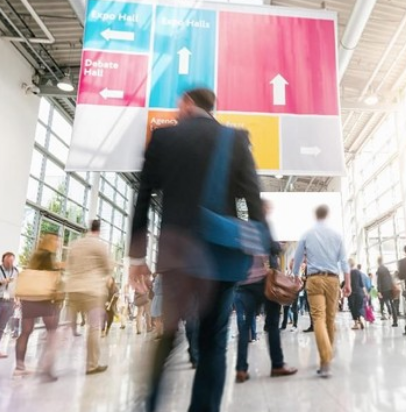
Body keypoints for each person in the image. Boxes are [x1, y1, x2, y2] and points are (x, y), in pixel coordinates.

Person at [129, 88, 266, 412]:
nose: (177, 110)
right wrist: (262, 250)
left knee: (166, 335)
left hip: (176, 254)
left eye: (179, 104)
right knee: (213, 342)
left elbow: (144, 196)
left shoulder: (163, 139)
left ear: (189, 103)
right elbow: (254, 200)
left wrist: (137, 257)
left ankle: (149, 405)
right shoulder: (234, 140)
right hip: (219, 255)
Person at [234, 199, 298, 383]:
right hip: (264, 282)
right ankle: (277, 365)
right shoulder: (263, 225)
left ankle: (241, 369)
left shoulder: (242, 227)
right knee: (272, 325)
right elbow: (273, 248)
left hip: (244, 283)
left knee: (245, 326)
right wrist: (280, 244)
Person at [292, 205, 351, 378]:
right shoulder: (337, 235)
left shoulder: (307, 234)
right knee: (330, 319)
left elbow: (297, 258)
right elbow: (344, 262)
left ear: (315, 215)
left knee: (318, 318)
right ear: (327, 215)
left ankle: (325, 361)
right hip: (333, 279)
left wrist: (295, 276)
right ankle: (326, 360)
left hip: (314, 279)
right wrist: (347, 283)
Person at [65, 219, 112, 375]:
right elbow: (108, 268)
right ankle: (91, 365)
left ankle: (49, 365)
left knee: (67, 325)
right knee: (94, 327)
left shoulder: (75, 244)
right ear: (99, 230)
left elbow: (69, 266)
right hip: (92, 292)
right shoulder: (100, 245)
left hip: (73, 289)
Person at [14, 232, 62, 381]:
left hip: (29, 298)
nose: (58, 243)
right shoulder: (48, 255)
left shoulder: (35, 255)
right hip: (43, 298)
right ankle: (46, 369)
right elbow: (50, 275)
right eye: (56, 240)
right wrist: (59, 267)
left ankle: (19, 367)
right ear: (50, 241)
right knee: (52, 332)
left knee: (26, 331)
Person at [376, 257, 398, 327]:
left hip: (383, 290)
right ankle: (395, 321)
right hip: (389, 289)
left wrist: (379, 291)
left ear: (378, 262)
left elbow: (379, 281)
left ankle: (383, 315)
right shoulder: (386, 268)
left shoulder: (379, 269)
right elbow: (390, 279)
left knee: (382, 303)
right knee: (392, 304)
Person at [349, 259, 367, 330]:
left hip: (352, 292)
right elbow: (361, 284)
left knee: (352, 307)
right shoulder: (358, 272)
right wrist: (365, 293)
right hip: (359, 292)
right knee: (358, 307)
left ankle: (356, 323)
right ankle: (359, 318)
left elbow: (346, 283)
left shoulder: (348, 272)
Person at [151, 274, 163, 338]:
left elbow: (155, 289)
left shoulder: (158, 277)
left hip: (158, 298)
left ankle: (159, 334)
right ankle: (162, 333)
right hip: (165, 298)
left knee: (157, 318)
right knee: (162, 318)